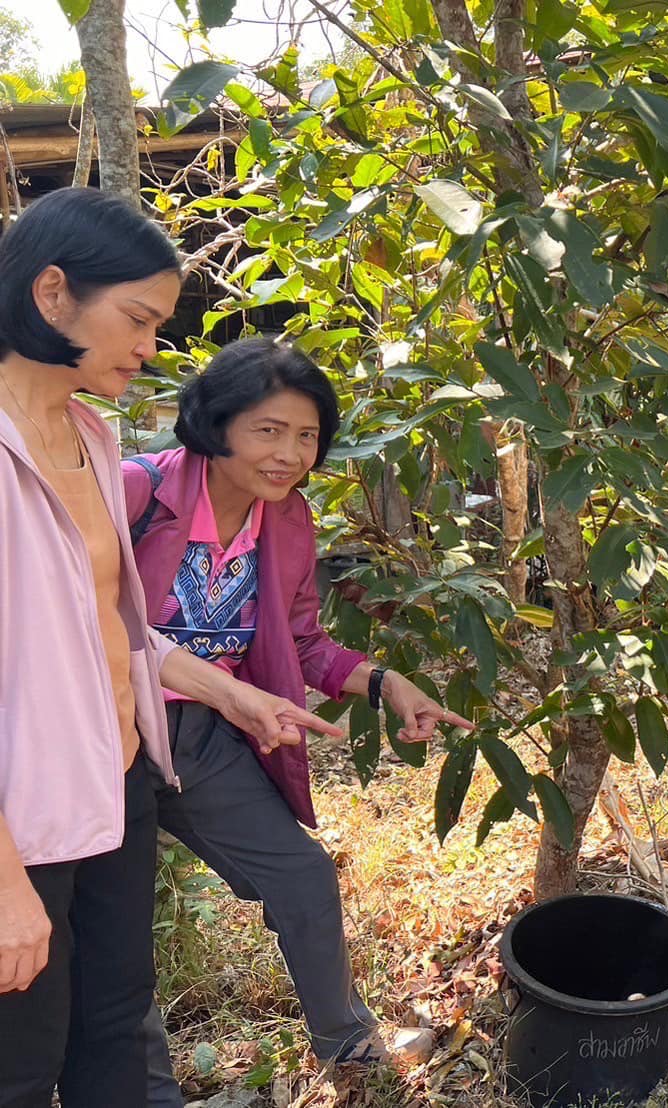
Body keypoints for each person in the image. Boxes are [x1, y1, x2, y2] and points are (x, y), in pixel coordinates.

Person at [0, 188, 342, 1108]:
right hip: (22, 820)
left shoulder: (87, 434)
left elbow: (111, 632)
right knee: (22, 1062)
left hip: (115, 781)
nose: (151, 347)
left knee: (116, 1023)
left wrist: (232, 696)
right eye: (139, 319)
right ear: (53, 292)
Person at [124, 337, 475, 1101]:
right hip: (108, 736)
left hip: (201, 741)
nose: (289, 455)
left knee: (303, 875)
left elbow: (304, 640)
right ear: (215, 426)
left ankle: (350, 1050)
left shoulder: (283, 520)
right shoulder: (135, 493)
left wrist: (385, 683)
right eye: (268, 431)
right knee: (117, 937)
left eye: (307, 436)